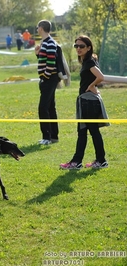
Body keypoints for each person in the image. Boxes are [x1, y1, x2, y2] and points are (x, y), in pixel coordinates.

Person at [60, 35, 109, 170]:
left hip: (89, 101)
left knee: (85, 132)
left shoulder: (89, 62)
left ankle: (78, 162)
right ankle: (99, 160)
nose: (78, 49)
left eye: (82, 46)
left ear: (88, 48)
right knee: (90, 132)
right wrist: (92, 86)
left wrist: (92, 86)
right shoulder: (89, 60)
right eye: (76, 46)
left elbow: (101, 77)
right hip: (87, 100)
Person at [35, 20, 59, 145]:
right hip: (47, 79)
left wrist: (45, 77)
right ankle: (54, 136)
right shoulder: (44, 42)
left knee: (43, 107)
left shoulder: (50, 43)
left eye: (38, 27)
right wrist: (37, 54)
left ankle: (47, 137)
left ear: (42, 28)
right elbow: (43, 60)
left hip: (49, 79)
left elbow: (51, 62)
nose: (37, 29)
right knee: (50, 107)